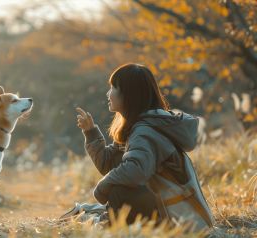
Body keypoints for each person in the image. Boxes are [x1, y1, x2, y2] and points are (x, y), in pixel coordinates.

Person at [76, 63, 214, 231]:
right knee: (120, 185)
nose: (108, 93)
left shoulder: (144, 132)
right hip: (176, 214)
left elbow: (135, 171)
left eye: (113, 87)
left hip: (181, 223)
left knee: (119, 190)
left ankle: (113, 227)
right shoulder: (140, 126)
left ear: (128, 94)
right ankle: (113, 224)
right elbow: (108, 164)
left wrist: (103, 186)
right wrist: (91, 133)